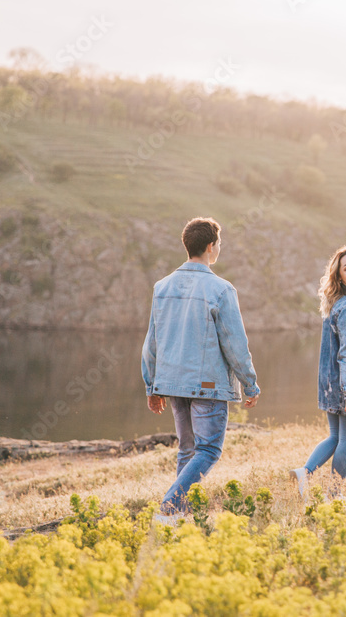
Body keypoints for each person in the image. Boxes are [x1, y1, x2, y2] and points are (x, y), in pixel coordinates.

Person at [141, 217, 261, 525]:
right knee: (207, 451)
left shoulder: (162, 286)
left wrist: (151, 385)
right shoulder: (221, 289)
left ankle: (179, 516)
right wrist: (250, 383)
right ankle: (170, 505)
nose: (219, 248)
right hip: (206, 384)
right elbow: (235, 342)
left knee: (188, 450)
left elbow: (152, 340)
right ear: (211, 247)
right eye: (219, 244)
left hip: (172, 383)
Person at [290, 245, 346, 498]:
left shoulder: (341, 305)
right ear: (338, 275)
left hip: (333, 383)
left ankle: (304, 473)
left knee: (335, 436)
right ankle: (334, 494)